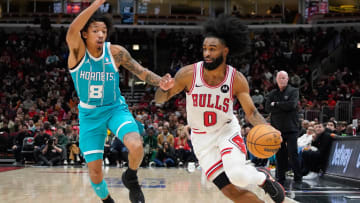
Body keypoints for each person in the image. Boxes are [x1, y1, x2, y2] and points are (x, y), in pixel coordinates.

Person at [155, 15, 285, 203]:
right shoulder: (188, 74)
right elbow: (160, 99)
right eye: (205, 49)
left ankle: (262, 178)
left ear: (225, 51)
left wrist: (269, 129)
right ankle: (261, 179)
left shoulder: (236, 79)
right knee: (231, 193)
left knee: (238, 175)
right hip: (201, 139)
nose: (207, 53)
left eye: (212, 49)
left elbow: (252, 112)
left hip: (226, 131)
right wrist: (162, 88)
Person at [65, 1, 173, 202]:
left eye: (104, 31)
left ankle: (130, 177)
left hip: (115, 109)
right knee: (96, 174)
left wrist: (161, 82)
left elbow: (140, 71)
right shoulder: (78, 53)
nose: (100, 35)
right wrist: (96, 4)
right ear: (85, 34)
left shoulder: (114, 52)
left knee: (137, 145)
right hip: (89, 116)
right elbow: (72, 29)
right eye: (95, 30)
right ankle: (108, 201)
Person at [265, 70, 302, 185]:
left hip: (291, 127)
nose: (282, 80)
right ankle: (281, 178)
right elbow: (267, 108)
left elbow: (292, 105)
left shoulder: (294, 91)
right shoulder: (272, 93)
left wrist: (276, 104)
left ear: (287, 79)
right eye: (280, 78)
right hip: (277, 129)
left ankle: (298, 178)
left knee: (293, 153)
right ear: (276, 80)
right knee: (280, 154)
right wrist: (282, 106)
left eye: (284, 78)